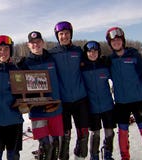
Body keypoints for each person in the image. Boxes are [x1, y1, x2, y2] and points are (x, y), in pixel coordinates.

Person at [105, 27, 142, 160]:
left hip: (138, 100)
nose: (116, 42)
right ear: (110, 44)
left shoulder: (134, 56)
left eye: (118, 40)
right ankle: (125, 157)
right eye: (113, 41)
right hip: (121, 102)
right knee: (122, 132)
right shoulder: (110, 61)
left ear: (123, 41)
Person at [17, 31, 64, 160]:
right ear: (28, 45)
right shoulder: (25, 63)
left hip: (55, 108)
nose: (35, 45)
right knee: (45, 145)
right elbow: (17, 84)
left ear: (42, 42)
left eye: (38, 42)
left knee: (55, 144)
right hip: (37, 111)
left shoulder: (52, 58)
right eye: (32, 43)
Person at [49, 21, 90, 160]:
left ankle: (79, 157)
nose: (64, 36)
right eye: (61, 34)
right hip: (63, 101)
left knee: (84, 134)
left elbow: (90, 62)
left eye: (66, 33)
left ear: (71, 34)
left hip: (80, 99)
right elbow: (39, 62)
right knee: (65, 136)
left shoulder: (78, 51)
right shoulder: (52, 53)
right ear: (57, 36)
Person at [80, 41, 116, 160]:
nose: (92, 53)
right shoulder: (82, 67)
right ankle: (94, 155)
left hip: (107, 106)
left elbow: (118, 77)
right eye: (90, 51)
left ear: (99, 52)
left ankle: (108, 154)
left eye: (95, 51)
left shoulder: (104, 65)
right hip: (92, 107)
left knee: (109, 133)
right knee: (95, 134)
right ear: (86, 53)